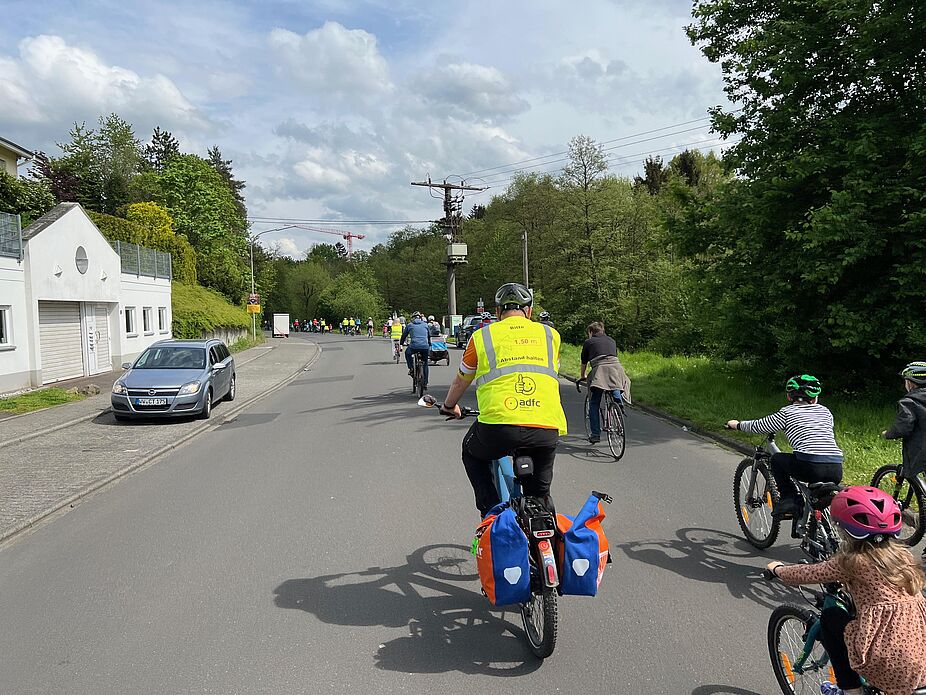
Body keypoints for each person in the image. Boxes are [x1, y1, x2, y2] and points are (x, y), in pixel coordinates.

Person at [766, 486, 926, 695]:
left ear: (845, 531)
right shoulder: (903, 557)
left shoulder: (852, 562)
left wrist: (778, 570)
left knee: (831, 618)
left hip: (892, 665)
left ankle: (852, 691)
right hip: (921, 655)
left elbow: (809, 573)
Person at [440, 282, 567, 517]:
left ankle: (491, 513)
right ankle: (544, 530)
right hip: (546, 425)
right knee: (539, 497)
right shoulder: (551, 335)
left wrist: (449, 406)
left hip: (499, 426)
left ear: (498, 312)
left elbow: (461, 380)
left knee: (471, 452)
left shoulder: (482, 336)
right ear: (529, 311)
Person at [727, 374, 843, 519]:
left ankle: (789, 499)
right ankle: (817, 523)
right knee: (816, 496)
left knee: (777, 459)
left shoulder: (787, 413)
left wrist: (737, 425)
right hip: (836, 467)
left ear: (789, 397)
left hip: (809, 466)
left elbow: (759, 426)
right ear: (814, 399)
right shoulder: (826, 412)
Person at [579, 322, 632, 444]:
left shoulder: (588, 342)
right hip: (616, 368)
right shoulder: (611, 340)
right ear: (602, 330)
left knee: (594, 402)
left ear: (591, 332)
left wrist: (582, 376)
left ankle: (595, 434)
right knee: (615, 383)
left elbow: (584, 361)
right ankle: (618, 401)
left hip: (600, 370)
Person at [401, 312, 432, 388]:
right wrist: (429, 344)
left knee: (407, 353)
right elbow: (429, 336)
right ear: (420, 318)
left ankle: (411, 368)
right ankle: (425, 382)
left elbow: (404, 335)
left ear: (413, 318)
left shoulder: (410, 325)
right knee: (425, 363)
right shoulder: (425, 325)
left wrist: (401, 343)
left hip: (414, 346)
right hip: (425, 347)